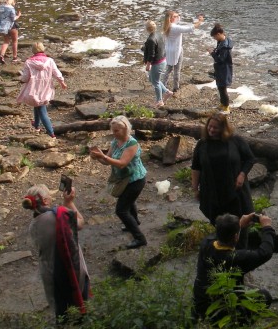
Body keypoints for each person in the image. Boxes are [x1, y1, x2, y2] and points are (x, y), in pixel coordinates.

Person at [23, 183, 89, 323]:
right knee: (79, 304)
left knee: (61, 309)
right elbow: (80, 223)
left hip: (49, 271)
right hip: (71, 266)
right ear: (46, 200)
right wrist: (69, 202)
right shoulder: (59, 214)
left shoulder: (33, 225)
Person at [192, 212, 276, 322]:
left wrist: (239, 225)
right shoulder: (236, 258)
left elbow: (220, 234)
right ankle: (240, 322)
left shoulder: (206, 244)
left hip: (200, 306)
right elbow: (265, 252)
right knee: (264, 297)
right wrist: (267, 227)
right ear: (236, 237)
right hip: (221, 313)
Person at [89, 115, 148, 249]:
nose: (114, 133)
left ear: (125, 129)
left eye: (117, 130)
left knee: (121, 210)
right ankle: (134, 222)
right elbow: (106, 161)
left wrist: (102, 156)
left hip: (136, 179)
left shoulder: (132, 143)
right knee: (128, 201)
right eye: (113, 130)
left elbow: (122, 163)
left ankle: (140, 238)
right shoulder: (115, 142)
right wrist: (98, 157)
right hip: (124, 179)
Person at [191, 113, 255, 226]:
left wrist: (242, 174)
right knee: (218, 223)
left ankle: (240, 240)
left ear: (223, 128)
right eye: (209, 126)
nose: (211, 129)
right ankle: (222, 241)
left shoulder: (235, 141)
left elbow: (250, 159)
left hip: (234, 189)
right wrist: (195, 188)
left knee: (240, 222)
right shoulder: (202, 144)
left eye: (215, 127)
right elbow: (196, 167)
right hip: (211, 190)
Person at [17, 41, 67, 139]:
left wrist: (21, 80)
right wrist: (62, 82)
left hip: (34, 87)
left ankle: (51, 133)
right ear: (43, 49)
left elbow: (25, 77)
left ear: (33, 51)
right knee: (38, 105)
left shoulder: (29, 62)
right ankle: (36, 124)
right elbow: (56, 73)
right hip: (45, 87)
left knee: (41, 108)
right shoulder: (49, 61)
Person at [162, 10, 204, 93]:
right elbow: (190, 28)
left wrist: (177, 16)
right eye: (176, 16)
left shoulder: (167, 26)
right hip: (177, 50)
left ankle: (163, 85)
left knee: (168, 69)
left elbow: (179, 22)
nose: (178, 17)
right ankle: (175, 87)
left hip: (169, 50)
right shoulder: (175, 28)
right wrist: (200, 21)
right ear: (171, 18)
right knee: (177, 70)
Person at [141, 20, 169, 109]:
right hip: (162, 60)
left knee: (155, 82)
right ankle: (167, 92)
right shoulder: (159, 34)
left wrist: (148, 64)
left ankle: (159, 101)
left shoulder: (151, 39)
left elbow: (152, 54)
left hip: (157, 63)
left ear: (147, 29)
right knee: (152, 79)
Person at [209, 23, 234, 112]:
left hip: (224, 70)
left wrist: (212, 53)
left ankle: (226, 106)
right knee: (220, 87)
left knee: (223, 89)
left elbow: (220, 60)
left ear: (219, 34)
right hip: (220, 69)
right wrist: (215, 50)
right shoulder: (222, 41)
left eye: (215, 37)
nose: (214, 39)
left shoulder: (225, 46)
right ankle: (222, 104)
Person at [0, 0, 21, 64]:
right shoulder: (11, 8)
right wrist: (18, 16)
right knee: (15, 41)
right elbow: (13, 19)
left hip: (3, 26)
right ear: (11, 1)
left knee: (6, 41)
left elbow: (1, 16)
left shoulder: (1, 7)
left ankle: (1, 55)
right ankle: (15, 57)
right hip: (12, 26)